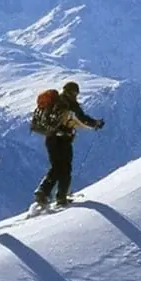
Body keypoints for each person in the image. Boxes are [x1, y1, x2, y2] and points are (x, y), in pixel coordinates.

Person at [32, 81, 104, 212]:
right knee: (65, 168)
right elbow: (82, 119)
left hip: (50, 139)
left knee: (56, 167)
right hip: (63, 140)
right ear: (73, 92)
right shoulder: (69, 104)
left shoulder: (55, 102)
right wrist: (96, 123)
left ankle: (42, 192)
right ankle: (61, 197)